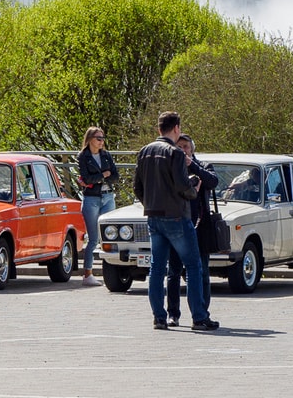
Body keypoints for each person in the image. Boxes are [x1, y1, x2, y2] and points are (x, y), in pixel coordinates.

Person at [134, 111, 219, 331]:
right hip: (177, 216)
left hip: (153, 215)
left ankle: (159, 317)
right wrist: (194, 189)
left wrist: (149, 203)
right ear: (176, 129)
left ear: (158, 129)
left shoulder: (144, 152)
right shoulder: (176, 153)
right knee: (193, 266)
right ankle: (199, 317)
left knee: (157, 268)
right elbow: (183, 186)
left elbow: (137, 187)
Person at [165, 134, 220, 325]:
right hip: (177, 225)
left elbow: (213, 182)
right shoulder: (171, 168)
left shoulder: (203, 166)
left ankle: (202, 312)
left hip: (200, 227)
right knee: (173, 272)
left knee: (202, 272)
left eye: (186, 147)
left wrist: (192, 165)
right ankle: (173, 314)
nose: (182, 150)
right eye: (179, 147)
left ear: (192, 149)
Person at [77, 126, 118, 286]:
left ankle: (113, 271)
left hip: (108, 197)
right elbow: (87, 179)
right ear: (90, 139)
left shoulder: (106, 155)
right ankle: (88, 273)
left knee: (110, 235)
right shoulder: (83, 156)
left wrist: (100, 178)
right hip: (91, 199)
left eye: (103, 138)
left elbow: (115, 176)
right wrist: (103, 175)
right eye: (98, 138)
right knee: (93, 238)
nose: (101, 142)